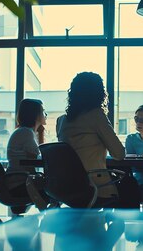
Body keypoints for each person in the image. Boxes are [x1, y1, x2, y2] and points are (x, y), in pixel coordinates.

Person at [56, 72, 137, 207]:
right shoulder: (96, 116)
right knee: (130, 185)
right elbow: (119, 154)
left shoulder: (61, 121)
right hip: (93, 185)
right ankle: (122, 227)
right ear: (100, 93)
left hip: (66, 185)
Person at [6, 98, 54, 209]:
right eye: (43, 111)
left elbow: (38, 156)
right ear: (35, 115)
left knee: (53, 191)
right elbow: (39, 158)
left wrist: (40, 132)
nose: (45, 114)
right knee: (55, 191)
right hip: (20, 184)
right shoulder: (25, 133)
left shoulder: (24, 132)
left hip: (20, 182)